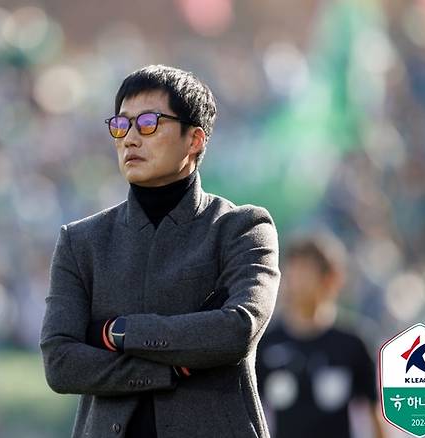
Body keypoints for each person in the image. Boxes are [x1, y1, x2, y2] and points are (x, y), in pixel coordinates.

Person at [40, 64, 281, 438]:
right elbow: (61, 363)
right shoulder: (81, 240)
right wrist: (168, 369)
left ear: (194, 140)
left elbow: (236, 329)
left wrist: (115, 333)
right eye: (121, 125)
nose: (130, 139)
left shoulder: (242, 228)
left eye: (149, 123)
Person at [256, 232, 387, 438]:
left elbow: (375, 413)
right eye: (292, 271)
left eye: (305, 272)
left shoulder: (353, 343)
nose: (295, 282)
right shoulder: (266, 343)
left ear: (331, 279)